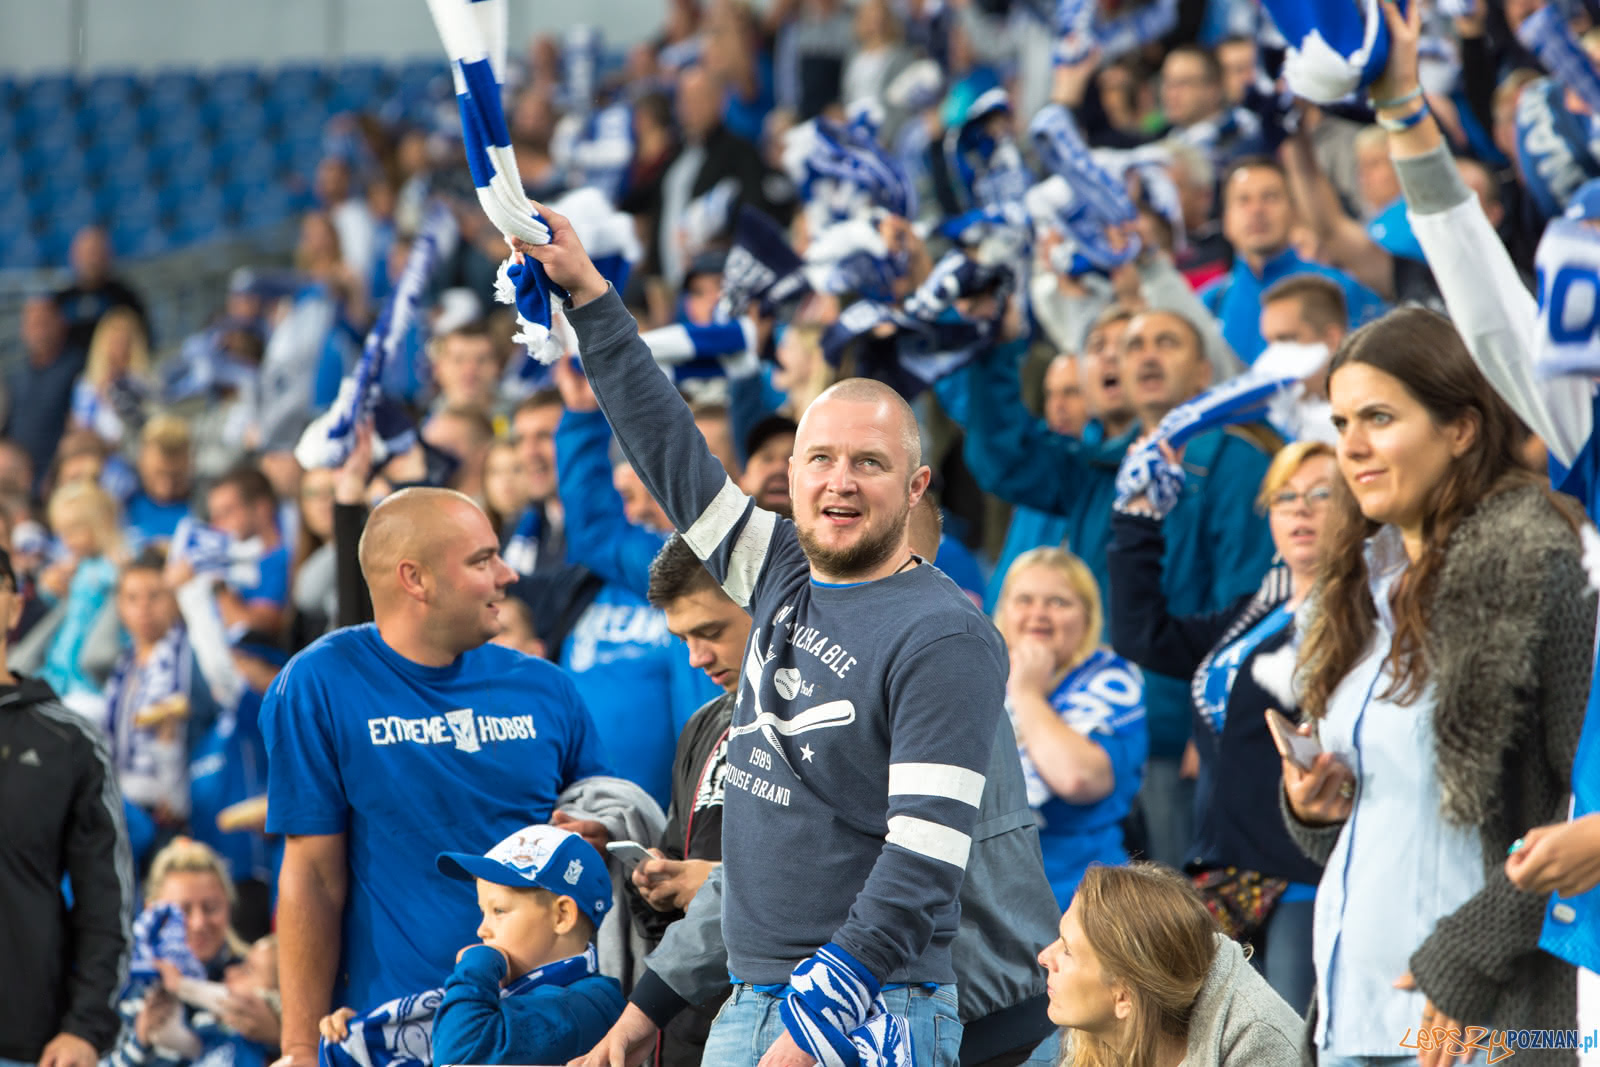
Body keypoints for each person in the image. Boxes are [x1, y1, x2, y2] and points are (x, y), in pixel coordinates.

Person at [527, 203, 1007, 1065]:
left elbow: (926, 858)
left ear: (916, 484)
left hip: (871, 1005)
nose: (840, 481)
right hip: (752, 992)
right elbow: (668, 448)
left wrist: (822, 1017)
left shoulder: (946, 632)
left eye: (870, 462)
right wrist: (592, 297)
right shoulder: (781, 568)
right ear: (791, 473)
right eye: (821, 458)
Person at [1283, 308, 1592, 1065]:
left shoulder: (1546, 567)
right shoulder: (1357, 585)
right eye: (1341, 419)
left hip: (1485, 1020)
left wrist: (1467, 956)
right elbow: (1392, 815)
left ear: (1460, 427)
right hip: (1351, 1009)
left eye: (1379, 418)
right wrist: (1316, 811)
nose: (1350, 446)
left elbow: (1581, 811)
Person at [261, 486, 611, 1067]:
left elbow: (604, 818)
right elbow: (312, 877)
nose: (508, 575)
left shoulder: (547, 687)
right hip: (392, 1031)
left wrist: (598, 835)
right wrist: (299, 1048)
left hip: (538, 1030)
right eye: (482, 560)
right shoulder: (319, 683)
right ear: (415, 579)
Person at [1109, 442, 1336, 1009]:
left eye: (1320, 495)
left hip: (1304, 873)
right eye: (1285, 498)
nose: (1300, 511)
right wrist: (1139, 518)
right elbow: (1144, 635)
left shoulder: (1363, 613)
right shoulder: (1259, 609)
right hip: (1229, 873)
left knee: (1289, 1049)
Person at [317, 825, 624, 1066]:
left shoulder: (592, 1003)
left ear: (562, 916)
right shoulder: (510, 991)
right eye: (483, 912)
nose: (482, 929)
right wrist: (369, 1032)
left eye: (499, 911)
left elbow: (459, 1054)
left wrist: (476, 968)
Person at [0, 543, 132, 1067]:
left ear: (16, 605)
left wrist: (86, 1026)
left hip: (26, 1044)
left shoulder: (69, 742)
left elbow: (108, 901)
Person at [629, 533, 750, 1066]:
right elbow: (668, 923)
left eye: (710, 632)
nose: (698, 658)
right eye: (683, 639)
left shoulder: (839, 721)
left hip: (789, 1029)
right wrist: (653, 880)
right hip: (688, 1024)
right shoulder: (706, 723)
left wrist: (719, 884)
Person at [992, 547, 1147, 909]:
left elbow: (1079, 779)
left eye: (1058, 602)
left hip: (1080, 898)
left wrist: (1026, 693)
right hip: (988, 898)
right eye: (1024, 600)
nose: (1038, 614)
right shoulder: (977, 672)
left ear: (1088, 617)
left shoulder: (1112, 678)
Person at [1037, 863, 1303, 1067]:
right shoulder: (1101, 1026)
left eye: (1068, 951)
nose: (1044, 957)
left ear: (1124, 996)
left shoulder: (1261, 1048)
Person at [109, 839, 281, 1067]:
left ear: (229, 906)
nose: (198, 923)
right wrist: (140, 1042)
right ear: (153, 911)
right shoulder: (130, 986)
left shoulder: (252, 974)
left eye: (211, 908)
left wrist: (280, 1035)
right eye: (183, 911)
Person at [1201, 158, 1387, 365]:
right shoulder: (1208, 304)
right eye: (1243, 200)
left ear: (1295, 212)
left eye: (1270, 197)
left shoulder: (1339, 287)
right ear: (1226, 220)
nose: (1256, 210)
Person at [7, 295, 87, 488]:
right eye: (32, 324)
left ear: (60, 323)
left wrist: (57, 470)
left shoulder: (78, 368)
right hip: (18, 476)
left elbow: (79, 425)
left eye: (43, 323)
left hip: (59, 475)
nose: (38, 331)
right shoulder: (15, 375)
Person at [204, 465, 291, 638]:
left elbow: (252, 625)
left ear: (262, 508)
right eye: (214, 515)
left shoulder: (281, 561)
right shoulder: (233, 558)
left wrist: (216, 583)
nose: (215, 525)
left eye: (227, 512)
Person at [54, 224, 151, 352]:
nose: (92, 260)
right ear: (73, 256)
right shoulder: (61, 300)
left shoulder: (124, 297)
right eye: (87, 253)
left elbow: (142, 341)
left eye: (96, 252)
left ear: (108, 255)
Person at [124, 416, 196, 549]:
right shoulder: (122, 501)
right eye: (158, 474)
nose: (166, 488)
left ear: (190, 466)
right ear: (141, 464)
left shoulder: (208, 506)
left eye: (177, 476)